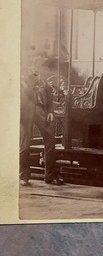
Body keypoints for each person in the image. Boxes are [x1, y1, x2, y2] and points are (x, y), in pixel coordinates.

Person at [20, 51, 63, 186]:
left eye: (37, 60)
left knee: (50, 140)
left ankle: (50, 176)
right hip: (26, 112)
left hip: (41, 111)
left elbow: (49, 95)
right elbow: (24, 94)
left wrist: (50, 111)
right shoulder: (22, 76)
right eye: (33, 59)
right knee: (25, 144)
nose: (35, 62)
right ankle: (24, 176)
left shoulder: (43, 77)